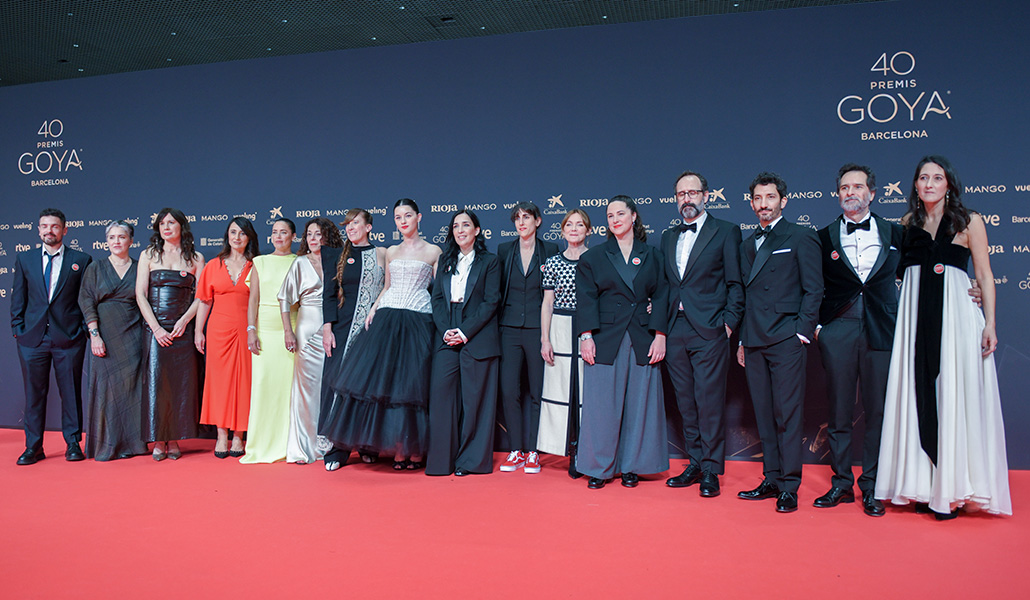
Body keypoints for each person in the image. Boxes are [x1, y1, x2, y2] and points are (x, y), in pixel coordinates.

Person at [875, 155, 1011, 518]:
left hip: (955, 320)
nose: (930, 183)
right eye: (923, 178)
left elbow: (984, 275)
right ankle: (921, 484)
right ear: (916, 186)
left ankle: (952, 488)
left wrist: (990, 323)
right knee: (917, 394)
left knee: (951, 394)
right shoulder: (906, 224)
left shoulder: (969, 222)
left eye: (937, 177)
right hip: (915, 320)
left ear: (948, 184)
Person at [320, 199, 440, 469]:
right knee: (386, 385)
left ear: (419, 217)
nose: (403, 221)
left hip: (419, 318)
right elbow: (386, 286)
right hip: (387, 317)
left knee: (413, 385)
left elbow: (438, 291)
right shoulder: (391, 252)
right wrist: (373, 309)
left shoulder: (434, 251)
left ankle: (416, 450)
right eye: (398, 217)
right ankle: (397, 449)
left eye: (408, 215)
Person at [812, 164, 902, 517]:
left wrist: (968, 288)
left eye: (858, 186)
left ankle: (873, 486)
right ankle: (841, 484)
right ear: (838, 195)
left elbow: (922, 276)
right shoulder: (821, 238)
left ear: (872, 193)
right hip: (839, 331)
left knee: (878, 410)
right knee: (839, 409)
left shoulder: (897, 233)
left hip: (881, 329)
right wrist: (821, 328)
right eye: (844, 188)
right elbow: (809, 285)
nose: (851, 192)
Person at [736, 172, 823, 513]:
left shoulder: (801, 236)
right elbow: (744, 295)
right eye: (758, 199)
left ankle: (789, 484)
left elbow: (814, 289)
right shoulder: (747, 244)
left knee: (788, 414)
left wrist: (802, 332)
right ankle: (771, 478)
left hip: (786, 337)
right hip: (755, 339)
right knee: (764, 414)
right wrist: (743, 339)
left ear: (783, 201)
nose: (763, 205)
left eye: (770, 198)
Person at [576, 196, 670, 489]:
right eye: (609, 215)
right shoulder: (593, 257)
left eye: (620, 213)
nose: (615, 219)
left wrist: (660, 336)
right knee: (601, 405)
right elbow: (586, 299)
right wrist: (586, 336)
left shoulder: (653, 255)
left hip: (643, 337)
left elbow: (663, 295)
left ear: (634, 217)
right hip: (605, 337)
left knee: (641, 404)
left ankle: (632, 466)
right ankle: (598, 467)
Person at [661, 171, 744, 498]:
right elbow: (669, 285)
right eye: (681, 194)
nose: (687, 199)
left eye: (693, 193)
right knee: (686, 402)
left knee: (709, 402)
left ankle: (711, 469)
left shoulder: (725, 232)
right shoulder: (669, 237)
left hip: (710, 329)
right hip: (675, 329)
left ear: (706, 196)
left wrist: (726, 325)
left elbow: (735, 284)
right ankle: (695, 462)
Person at [11, 208, 92, 465]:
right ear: (38, 230)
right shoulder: (25, 259)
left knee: (70, 392)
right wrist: (18, 330)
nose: (49, 230)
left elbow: (85, 300)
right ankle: (33, 447)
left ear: (64, 230)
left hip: (68, 338)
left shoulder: (81, 259)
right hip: (32, 339)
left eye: (55, 226)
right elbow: (18, 299)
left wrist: (80, 331)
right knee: (34, 395)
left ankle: (72, 444)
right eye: (44, 226)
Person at [426, 210, 502, 477]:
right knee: (441, 397)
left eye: (466, 225)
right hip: (446, 329)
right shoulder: (444, 260)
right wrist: (447, 329)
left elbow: (491, 301)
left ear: (477, 230)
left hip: (477, 332)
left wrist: (465, 331)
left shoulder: (490, 262)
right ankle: (441, 462)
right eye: (456, 226)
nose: (460, 230)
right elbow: (436, 299)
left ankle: (470, 461)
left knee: (475, 400)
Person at [318, 209, 385, 471]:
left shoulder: (382, 254)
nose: (350, 228)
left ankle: (367, 444)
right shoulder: (335, 255)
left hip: (372, 330)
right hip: (341, 329)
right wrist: (327, 328)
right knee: (337, 384)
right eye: (347, 224)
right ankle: (337, 448)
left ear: (369, 227)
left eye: (356, 223)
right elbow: (329, 295)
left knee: (367, 386)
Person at [137, 208, 205, 461]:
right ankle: (158, 439)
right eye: (162, 223)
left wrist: (185, 321)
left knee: (180, 385)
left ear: (182, 227)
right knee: (157, 383)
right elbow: (140, 295)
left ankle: (175, 438)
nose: (166, 227)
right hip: (155, 329)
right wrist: (155, 328)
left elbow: (202, 296)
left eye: (171, 223)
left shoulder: (196, 258)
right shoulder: (148, 255)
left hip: (182, 330)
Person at [496, 202, 559, 474]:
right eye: (517, 219)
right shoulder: (504, 250)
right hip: (508, 328)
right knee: (509, 391)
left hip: (537, 329)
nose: (521, 223)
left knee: (536, 391)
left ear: (538, 221)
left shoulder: (551, 250)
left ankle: (533, 451)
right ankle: (515, 450)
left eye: (526, 218)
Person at [78, 220, 148, 461]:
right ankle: (106, 446)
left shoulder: (141, 267)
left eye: (121, 237)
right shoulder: (95, 268)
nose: (116, 242)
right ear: (106, 241)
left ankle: (134, 444)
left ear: (131, 241)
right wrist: (94, 335)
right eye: (112, 238)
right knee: (106, 391)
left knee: (132, 390)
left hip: (133, 335)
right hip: (104, 335)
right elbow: (86, 300)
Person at [279, 217, 345, 464]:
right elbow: (284, 299)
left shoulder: (338, 262)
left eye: (318, 234)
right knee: (306, 392)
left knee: (329, 390)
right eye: (309, 235)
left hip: (333, 329)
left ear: (328, 236)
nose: (314, 239)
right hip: (306, 332)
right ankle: (304, 448)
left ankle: (330, 443)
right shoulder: (299, 263)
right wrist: (288, 331)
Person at [196, 217, 260, 458]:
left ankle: (239, 435)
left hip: (247, 329)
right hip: (218, 330)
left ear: (249, 237)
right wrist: (197, 331)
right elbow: (204, 300)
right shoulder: (213, 265)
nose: (237, 237)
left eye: (242, 233)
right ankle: (221, 434)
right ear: (227, 236)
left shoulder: (257, 265)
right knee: (219, 382)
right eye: (233, 232)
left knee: (244, 381)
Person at [239, 218, 297, 464]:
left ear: (294, 236)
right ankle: (260, 444)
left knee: (288, 391)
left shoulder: (300, 262)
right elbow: (253, 299)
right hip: (264, 331)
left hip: (291, 331)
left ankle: (290, 444)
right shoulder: (259, 262)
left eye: (284, 232)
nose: (278, 236)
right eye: (274, 232)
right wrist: (251, 329)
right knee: (264, 388)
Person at [538, 209, 591, 477]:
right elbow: (547, 303)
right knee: (562, 393)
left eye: (579, 224)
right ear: (562, 230)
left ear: (588, 230)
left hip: (589, 327)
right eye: (569, 224)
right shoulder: (553, 263)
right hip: (559, 326)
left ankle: (587, 450)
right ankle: (570, 449)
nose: (574, 229)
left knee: (586, 393)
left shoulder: (597, 259)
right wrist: (545, 339)